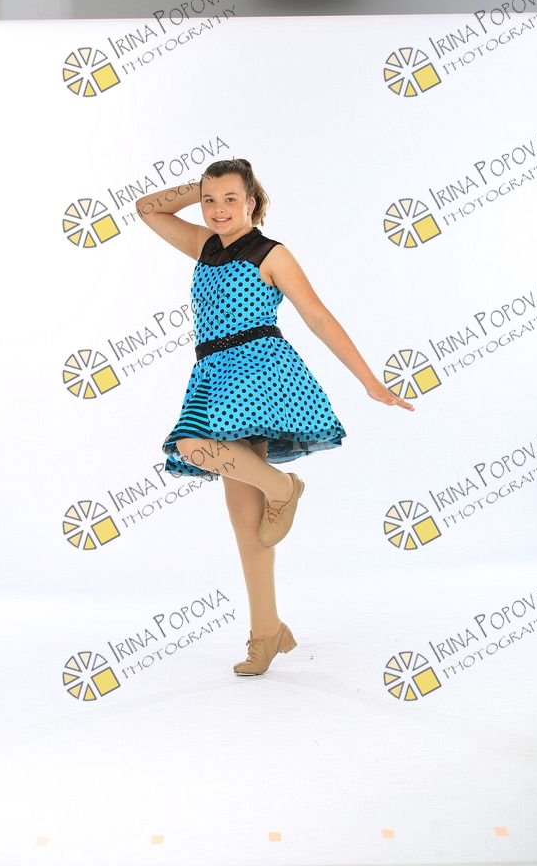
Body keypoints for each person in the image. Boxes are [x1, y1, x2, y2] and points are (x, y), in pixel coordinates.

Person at [135, 158, 414, 677]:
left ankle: (284, 488)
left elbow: (317, 315)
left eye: (230, 199)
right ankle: (267, 631)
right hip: (213, 375)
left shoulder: (271, 253)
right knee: (249, 528)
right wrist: (199, 186)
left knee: (192, 446)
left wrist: (369, 381)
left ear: (252, 202)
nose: (218, 209)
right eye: (210, 200)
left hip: (258, 371)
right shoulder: (205, 246)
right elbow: (147, 209)